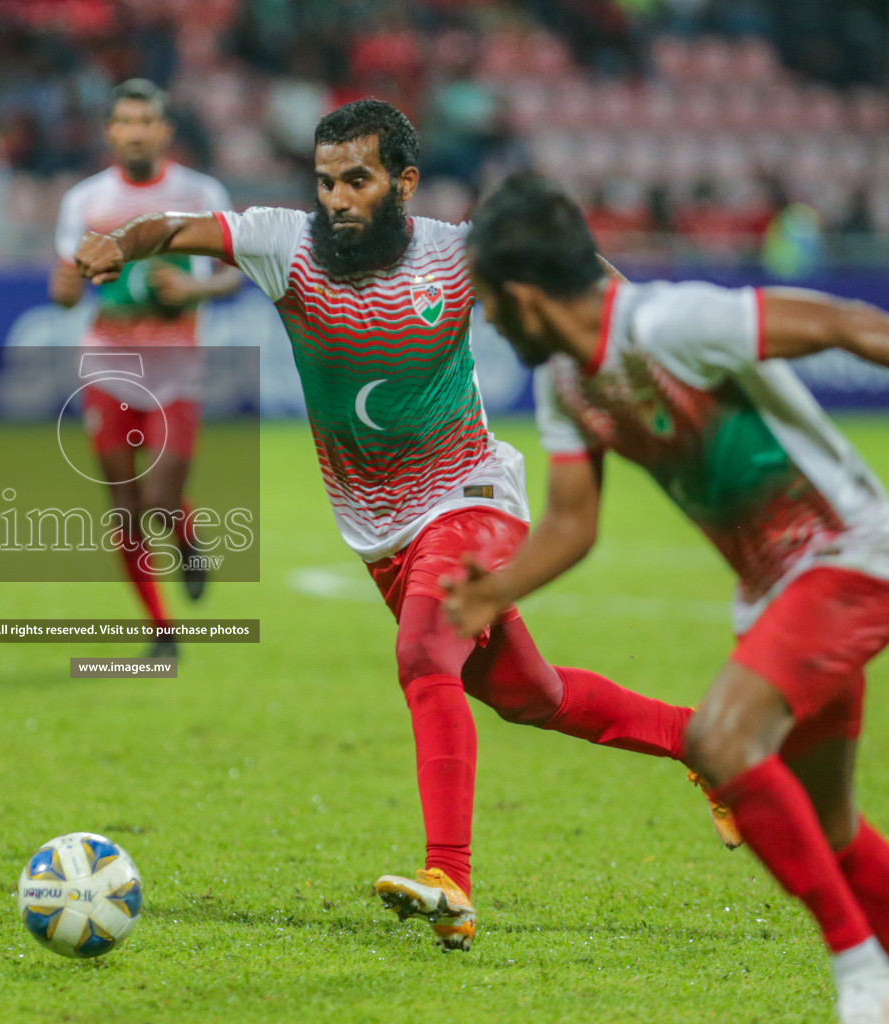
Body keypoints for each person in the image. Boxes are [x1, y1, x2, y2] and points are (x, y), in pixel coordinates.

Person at [74, 99, 721, 953]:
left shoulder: (457, 255)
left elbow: (571, 267)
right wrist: (121, 244)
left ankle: (450, 876)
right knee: (533, 697)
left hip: (472, 497)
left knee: (425, 652)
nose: (337, 199)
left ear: (404, 183)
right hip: (381, 532)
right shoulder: (285, 243)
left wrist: (638, 325)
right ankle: (705, 743)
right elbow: (179, 227)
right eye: (326, 181)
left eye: (358, 180)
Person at [448, 172, 889, 1023]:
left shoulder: (672, 323)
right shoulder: (567, 385)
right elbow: (574, 525)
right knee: (829, 823)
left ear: (525, 296)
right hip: (771, 593)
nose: (488, 321)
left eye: (490, 304)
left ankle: (858, 968)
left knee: (721, 739)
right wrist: (492, 592)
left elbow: (841, 322)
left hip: (847, 550)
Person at [50, 79, 242, 659]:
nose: (135, 132)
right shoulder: (84, 200)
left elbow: (236, 270)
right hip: (107, 368)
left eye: (145, 122)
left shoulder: (199, 190)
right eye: (125, 123)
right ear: (111, 132)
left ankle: (185, 542)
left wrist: (193, 288)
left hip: (176, 371)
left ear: (164, 130)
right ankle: (162, 632)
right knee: (126, 510)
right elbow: (66, 286)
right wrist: (65, 287)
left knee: (160, 502)